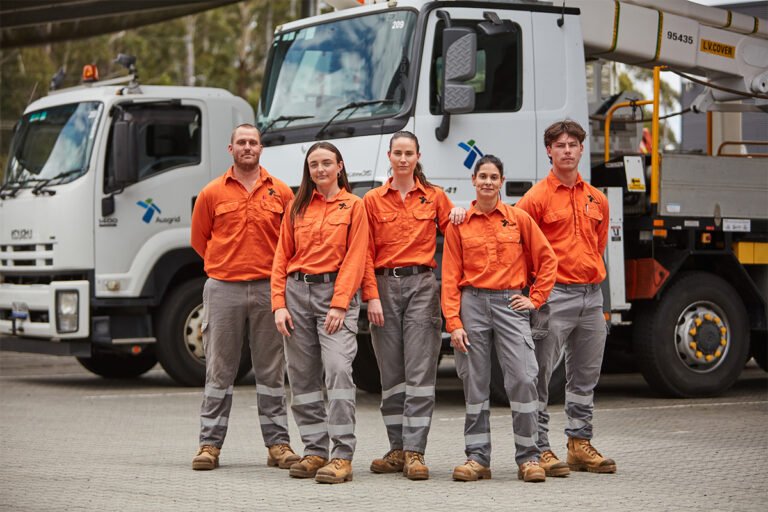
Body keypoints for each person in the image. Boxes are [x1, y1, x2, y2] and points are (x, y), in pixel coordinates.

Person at [190, 123, 299, 471]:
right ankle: (209, 445)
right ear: (231, 148)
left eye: (253, 142)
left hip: (270, 288)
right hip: (223, 288)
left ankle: (278, 445)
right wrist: (225, 265)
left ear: (261, 148)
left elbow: (293, 240)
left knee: (271, 371)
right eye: (241, 142)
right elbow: (199, 239)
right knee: (219, 371)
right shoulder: (211, 193)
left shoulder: (281, 193)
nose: (248, 147)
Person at [442, 155, 557, 483]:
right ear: (473, 182)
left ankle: (529, 457)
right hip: (472, 304)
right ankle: (477, 458)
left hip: (511, 303)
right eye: (483, 177)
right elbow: (450, 276)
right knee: (474, 382)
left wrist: (534, 299)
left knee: (522, 377)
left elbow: (547, 259)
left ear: (501, 182)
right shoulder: (459, 224)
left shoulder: (519, 219)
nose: (488, 182)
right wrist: (454, 322)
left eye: (494, 176)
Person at [516, 119, 616, 476]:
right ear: (549, 151)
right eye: (560, 145)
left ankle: (579, 443)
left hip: (591, 298)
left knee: (585, 377)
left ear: (581, 149)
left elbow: (598, 246)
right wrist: (535, 291)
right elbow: (520, 246)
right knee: (539, 375)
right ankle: (540, 447)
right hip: (553, 297)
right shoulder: (536, 198)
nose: (568, 150)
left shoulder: (597, 199)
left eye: (573, 144)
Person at [362, 131, 465, 480]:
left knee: (420, 374)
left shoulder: (435, 198)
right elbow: (363, 252)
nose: (403, 159)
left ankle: (416, 452)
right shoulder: (372, 201)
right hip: (383, 287)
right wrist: (371, 295)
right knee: (391, 375)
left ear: (418, 156)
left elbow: (457, 233)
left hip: (422, 286)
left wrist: (462, 212)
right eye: (398, 153)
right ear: (389, 157)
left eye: (409, 153)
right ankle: (397, 449)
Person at [272, 141, 368, 484]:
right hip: (296, 294)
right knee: (302, 378)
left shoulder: (354, 206)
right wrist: (279, 305)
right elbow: (281, 257)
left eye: (327, 163)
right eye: (314, 165)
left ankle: (342, 456)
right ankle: (314, 450)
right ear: (308, 170)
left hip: (333, 297)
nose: (321, 170)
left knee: (338, 371)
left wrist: (340, 303)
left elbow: (356, 258)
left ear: (340, 166)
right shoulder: (296, 207)